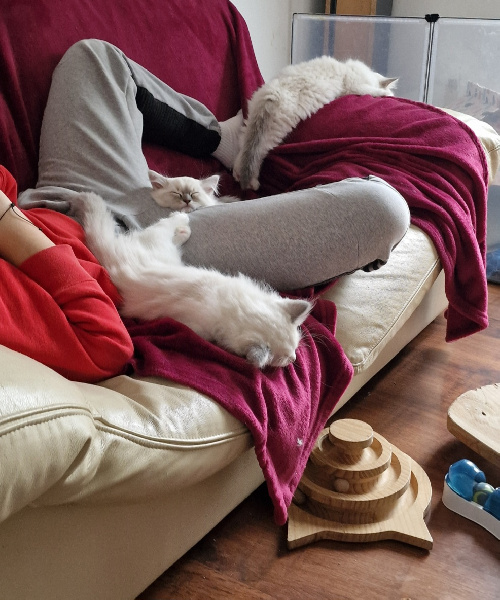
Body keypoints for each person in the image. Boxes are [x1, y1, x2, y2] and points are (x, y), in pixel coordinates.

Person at [18, 39, 410, 291]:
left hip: (64, 198)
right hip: (138, 250)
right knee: (382, 207)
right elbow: (103, 346)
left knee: (93, 56)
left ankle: (222, 139)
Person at [0, 165, 133, 382]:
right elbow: (108, 346)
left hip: (63, 202)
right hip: (121, 251)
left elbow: (6, 182)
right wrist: (5, 220)